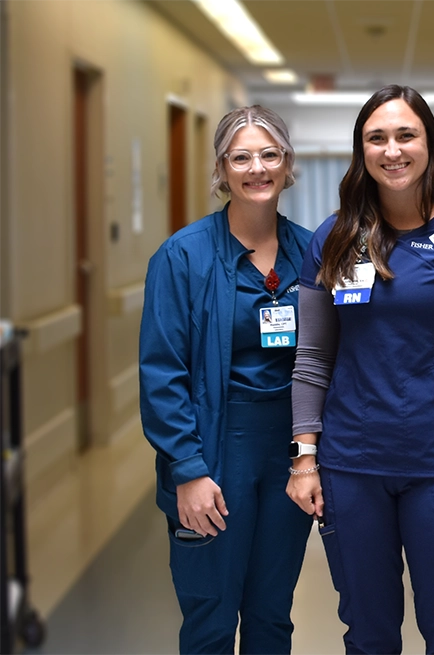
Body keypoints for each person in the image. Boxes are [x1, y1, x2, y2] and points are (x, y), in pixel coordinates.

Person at [287, 84, 434, 655]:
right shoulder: (334, 239)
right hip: (352, 466)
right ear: (361, 150)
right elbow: (313, 356)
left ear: (429, 144)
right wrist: (306, 458)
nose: (392, 150)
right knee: (368, 634)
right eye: (376, 138)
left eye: (406, 135)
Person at [139, 105, 313, 655]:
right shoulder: (182, 257)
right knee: (210, 620)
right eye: (241, 156)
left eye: (269, 154)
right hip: (213, 452)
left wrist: (313, 457)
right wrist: (188, 470)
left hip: (287, 455)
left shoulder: (312, 253)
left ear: (287, 165)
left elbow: (332, 359)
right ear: (222, 169)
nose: (257, 167)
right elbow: (162, 372)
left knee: (271, 616)